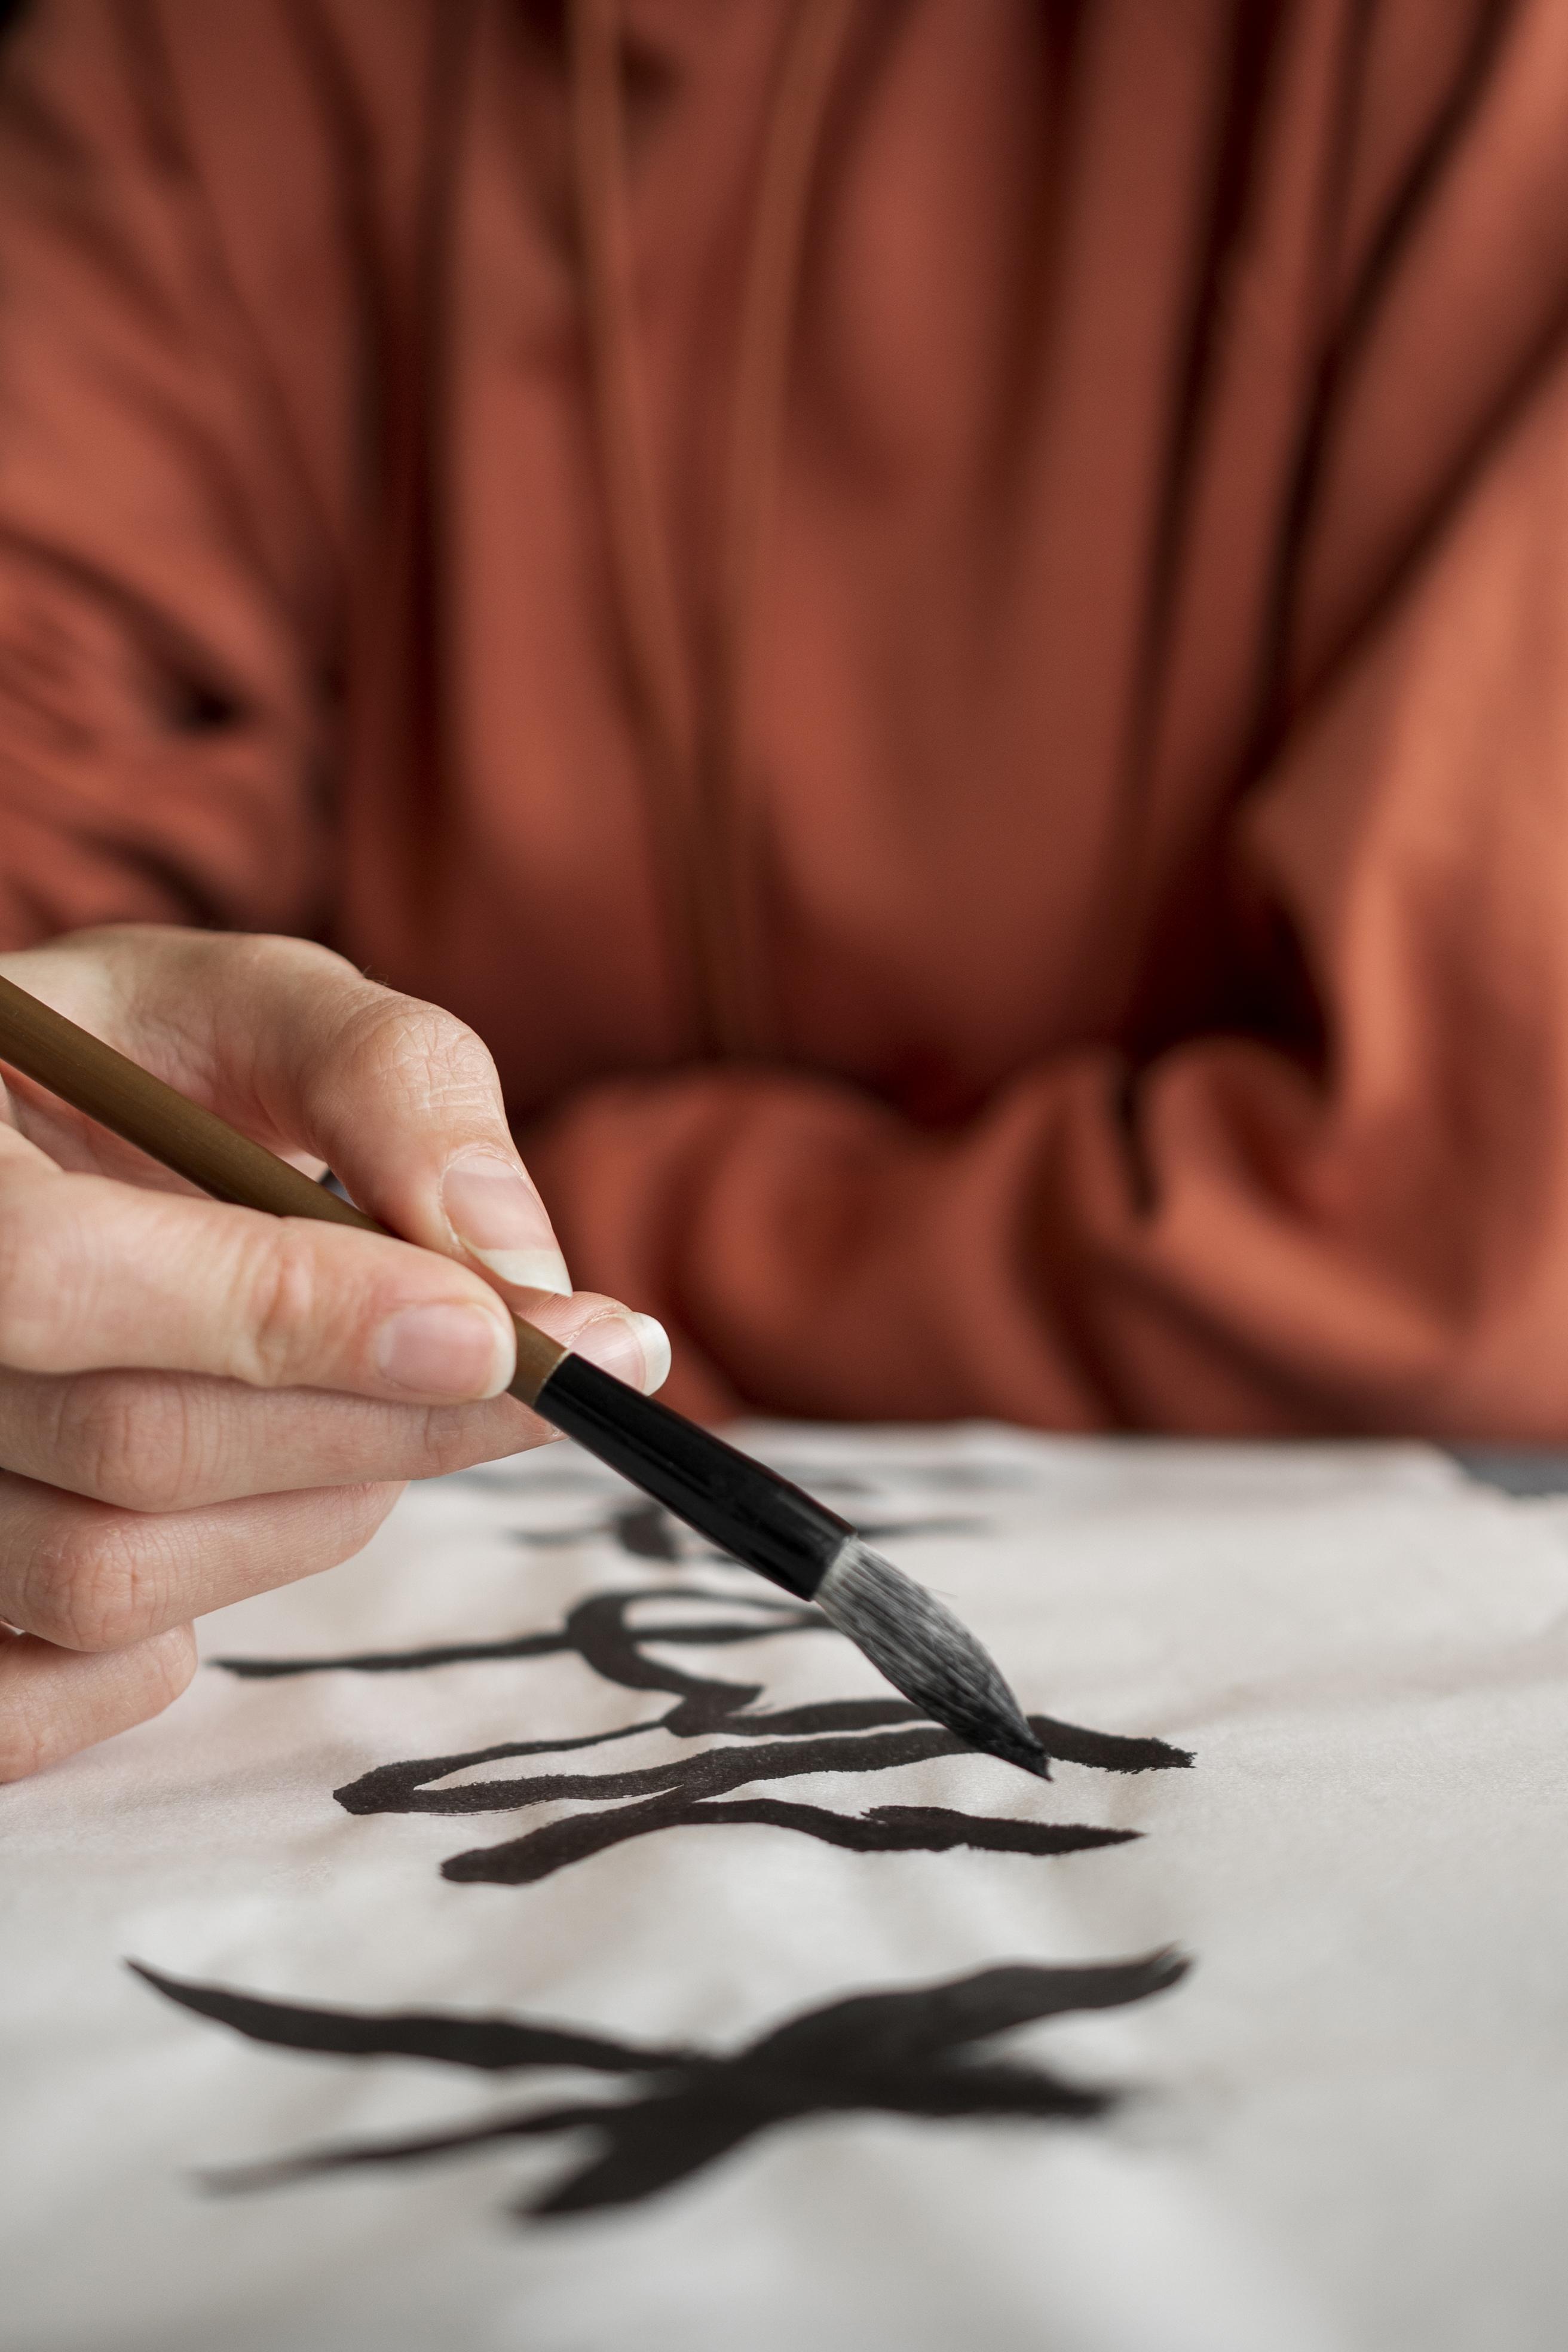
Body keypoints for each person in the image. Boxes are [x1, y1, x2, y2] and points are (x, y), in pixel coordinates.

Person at [2, 0, 1566, 1777]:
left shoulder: (1475, 61)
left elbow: (1483, 1229)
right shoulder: (192, 65)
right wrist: (56, 1246)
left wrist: (553, 1220)